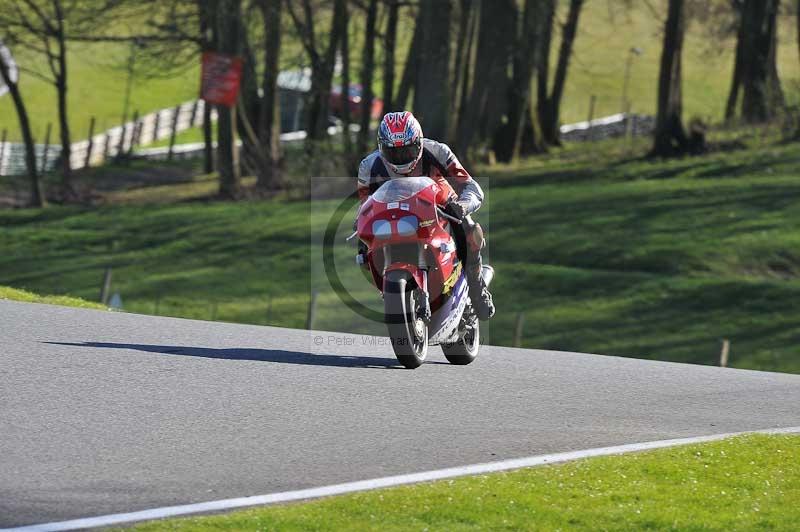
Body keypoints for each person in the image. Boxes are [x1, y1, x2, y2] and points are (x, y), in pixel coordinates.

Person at [357, 111, 495, 320]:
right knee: (363, 253)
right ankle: (392, 292)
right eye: (393, 153)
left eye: (407, 150)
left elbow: (472, 187)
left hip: (439, 203)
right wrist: (360, 225)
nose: (401, 158)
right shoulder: (368, 166)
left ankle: (477, 291)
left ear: (419, 143)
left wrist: (462, 206)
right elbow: (364, 204)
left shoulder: (438, 151)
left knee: (471, 232)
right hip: (394, 212)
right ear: (381, 147)